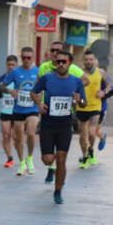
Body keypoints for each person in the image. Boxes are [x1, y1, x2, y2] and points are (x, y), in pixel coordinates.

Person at [30, 51, 84, 204]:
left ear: (69, 63)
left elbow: (83, 103)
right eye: (58, 61)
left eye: (64, 61)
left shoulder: (76, 81)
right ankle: (55, 171)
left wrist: (79, 101)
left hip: (65, 125)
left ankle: (58, 190)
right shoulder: (47, 78)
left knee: (61, 159)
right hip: (47, 124)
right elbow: (33, 92)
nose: (60, 64)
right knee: (48, 159)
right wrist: (39, 104)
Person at [2, 47, 39, 177]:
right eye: (24, 57)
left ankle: (29, 158)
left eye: (29, 57)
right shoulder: (15, 72)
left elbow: (45, 87)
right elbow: (2, 85)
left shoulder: (38, 71)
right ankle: (22, 162)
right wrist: (10, 91)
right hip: (18, 109)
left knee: (30, 133)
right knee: (18, 139)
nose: (26, 60)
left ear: (33, 58)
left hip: (33, 109)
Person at [75, 50, 108, 169]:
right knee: (83, 136)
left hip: (95, 107)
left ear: (94, 60)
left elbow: (111, 85)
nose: (89, 62)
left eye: (91, 59)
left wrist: (103, 92)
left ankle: (91, 150)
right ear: (83, 61)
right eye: (86, 60)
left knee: (91, 132)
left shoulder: (101, 72)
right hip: (81, 106)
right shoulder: (79, 73)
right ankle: (85, 156)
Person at [0, 55, 18, 168]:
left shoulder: (19, 78)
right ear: (6, 65)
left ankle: (21, 157)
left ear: (16, 65)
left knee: (16, 136)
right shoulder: (1, 79)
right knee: (5, 135)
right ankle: (9, 158)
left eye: (13, 65)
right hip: (5, 111)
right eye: (9, 65)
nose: (11, 67)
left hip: (17, 111)